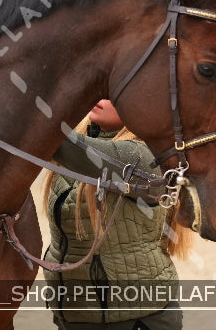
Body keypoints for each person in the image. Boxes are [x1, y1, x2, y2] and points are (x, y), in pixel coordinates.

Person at [43, 99, 192, 330]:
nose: (100, 98)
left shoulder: (145, 155)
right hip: (75, 315)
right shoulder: (83, 135)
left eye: (111, 94)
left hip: (136, 320)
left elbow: (58, 143)